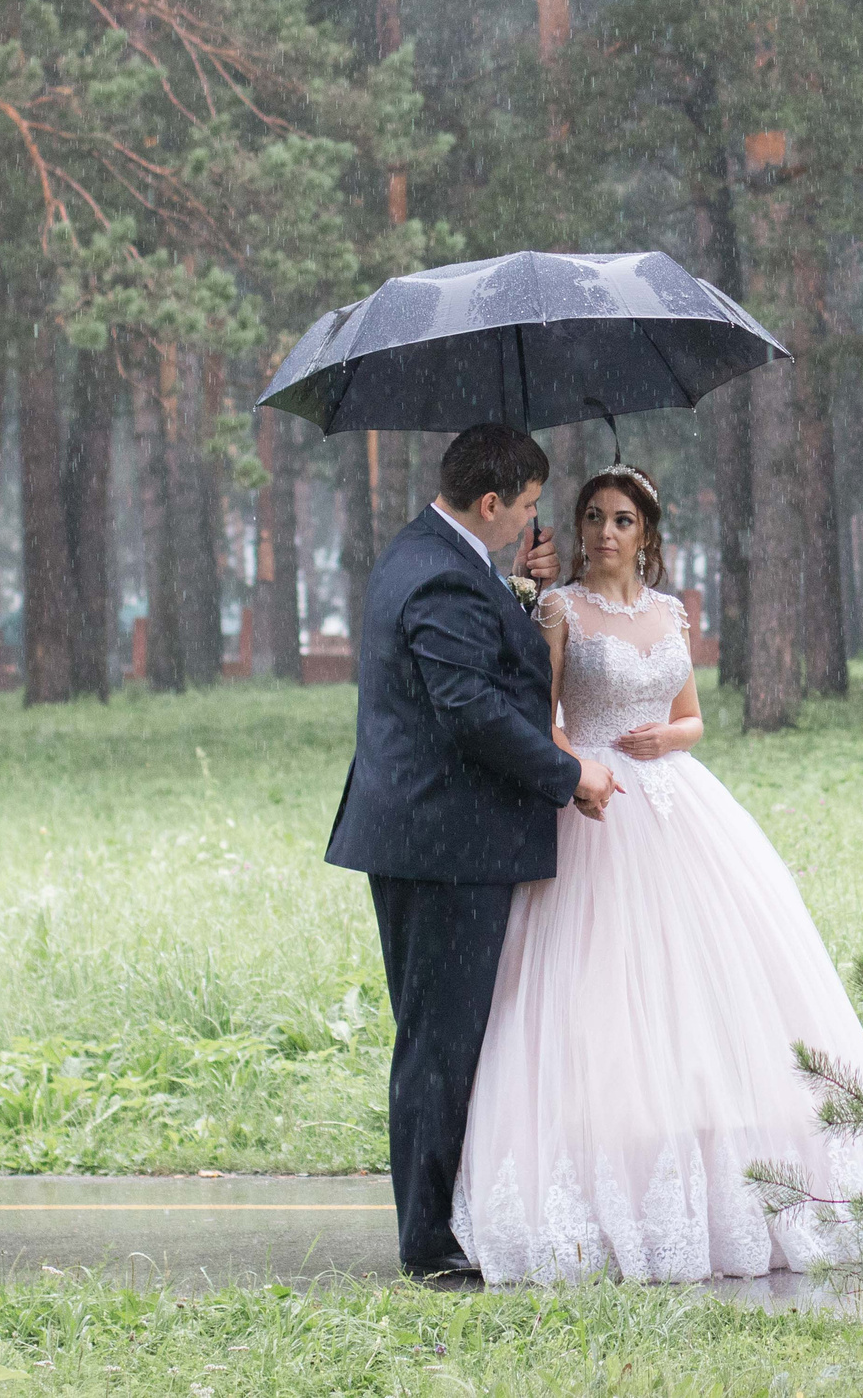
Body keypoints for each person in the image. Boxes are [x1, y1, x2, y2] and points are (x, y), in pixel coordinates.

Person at [450, 463, 863, 1283]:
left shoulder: (668, 613)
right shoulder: (560, 609)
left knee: (708, 986)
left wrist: (671, 739)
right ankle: (609, 1166)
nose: (604, 532)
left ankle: (725, 1165)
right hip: (595, 807)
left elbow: (692, 715)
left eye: (622, 519)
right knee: (600, 989)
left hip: (679, 806)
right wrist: (578, 761)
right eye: (592, 517)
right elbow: (538, 717)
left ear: (647, 535)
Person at [326, 423, 621, 1280]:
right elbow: (474, 710)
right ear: (490, 502)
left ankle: (450, 1216)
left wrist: (521, 593)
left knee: (449, 1039)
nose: (533, 518)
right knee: (440, 1044)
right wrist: (570, 775)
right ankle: (428, 1246)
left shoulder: (437, 557)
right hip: (442, 844)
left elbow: (482, 667)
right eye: (526, 504)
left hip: (440, 838)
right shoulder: (440, 579)